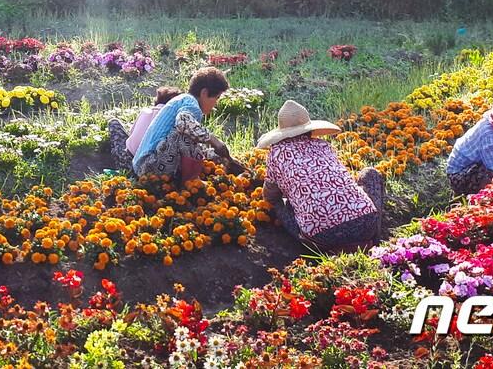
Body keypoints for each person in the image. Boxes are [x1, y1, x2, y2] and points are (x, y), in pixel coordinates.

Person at [259, 99, 385, 250]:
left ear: (281, 134)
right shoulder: (323, 145)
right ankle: (375, 240)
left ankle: (322, 247)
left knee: (278, 203)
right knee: (370, 173)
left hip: (322, 237)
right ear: (310, 130)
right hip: (366, 225)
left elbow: (270, 196)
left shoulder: (276, 153)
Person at [131, 67, 245, 181]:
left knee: (192, 138)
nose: (216, 104)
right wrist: (214, 140)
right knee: (182, 135)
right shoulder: (191, 103)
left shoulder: (184, 100)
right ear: (204, 93)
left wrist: (222, 158)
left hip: (144, 165)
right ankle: (190, 182)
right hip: (149, 165)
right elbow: (183, 123)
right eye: (217, 98)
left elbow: (193, 144)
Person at [107, 86, 180, 167]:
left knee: (113, 122)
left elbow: (131, 134)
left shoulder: (145, 111)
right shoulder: (173, 118)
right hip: (149, 169)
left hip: (125, 159)